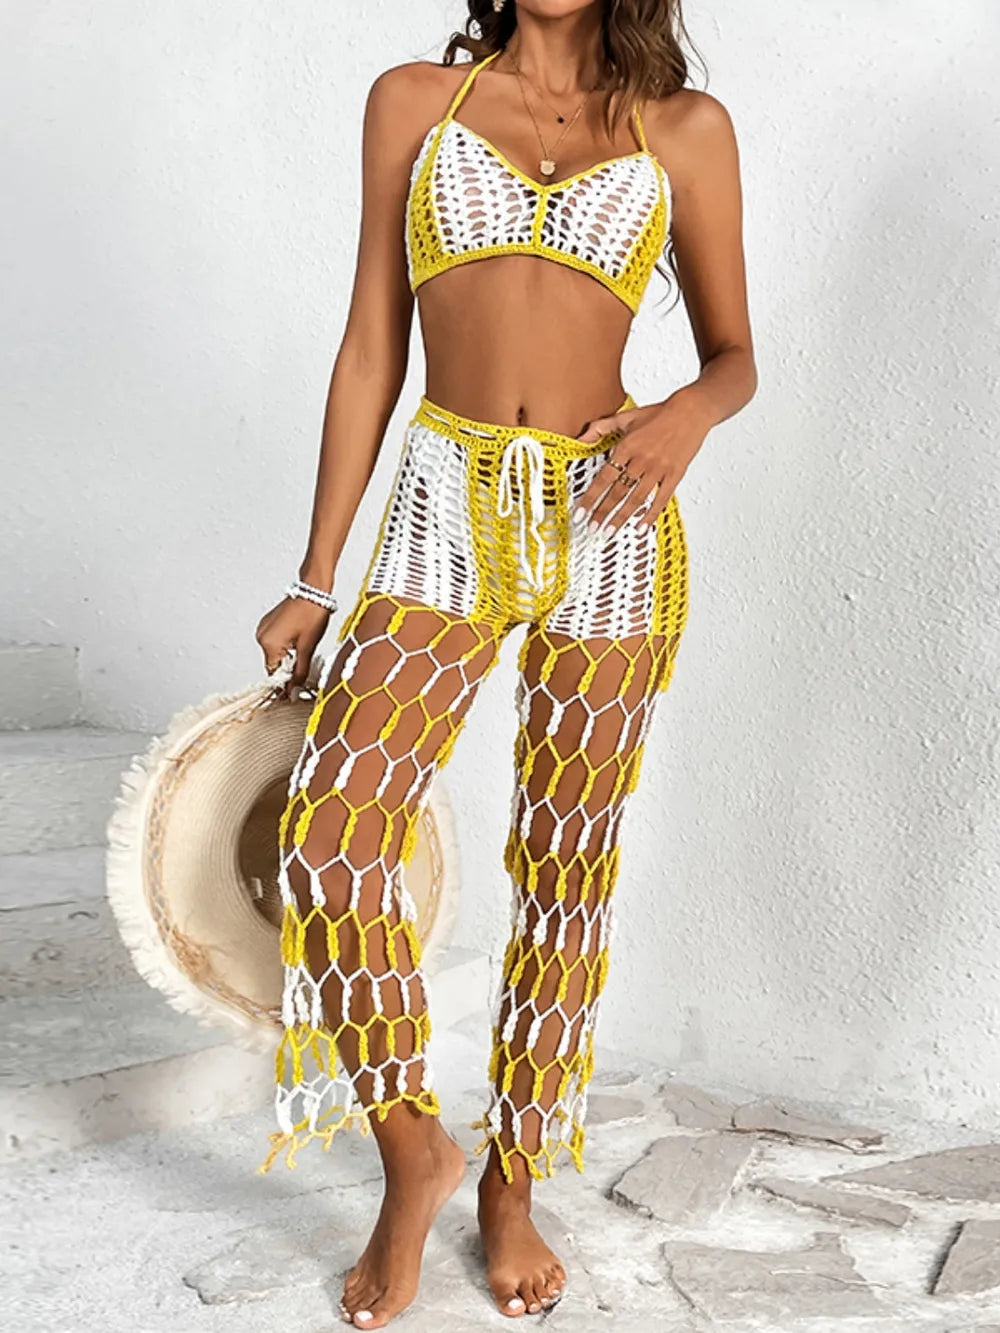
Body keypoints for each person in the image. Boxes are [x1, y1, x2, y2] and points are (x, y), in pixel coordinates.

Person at [254, 1, 756, 1326]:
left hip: (612, 514)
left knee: (566, 868)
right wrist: (317, 576)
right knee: (332, 834)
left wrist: (685, 418)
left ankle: (513, 1186)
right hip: (446, 501)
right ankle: (413, 1148)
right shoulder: (413, 103)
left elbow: (736, 358)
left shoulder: (685, 129)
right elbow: (372, 344)